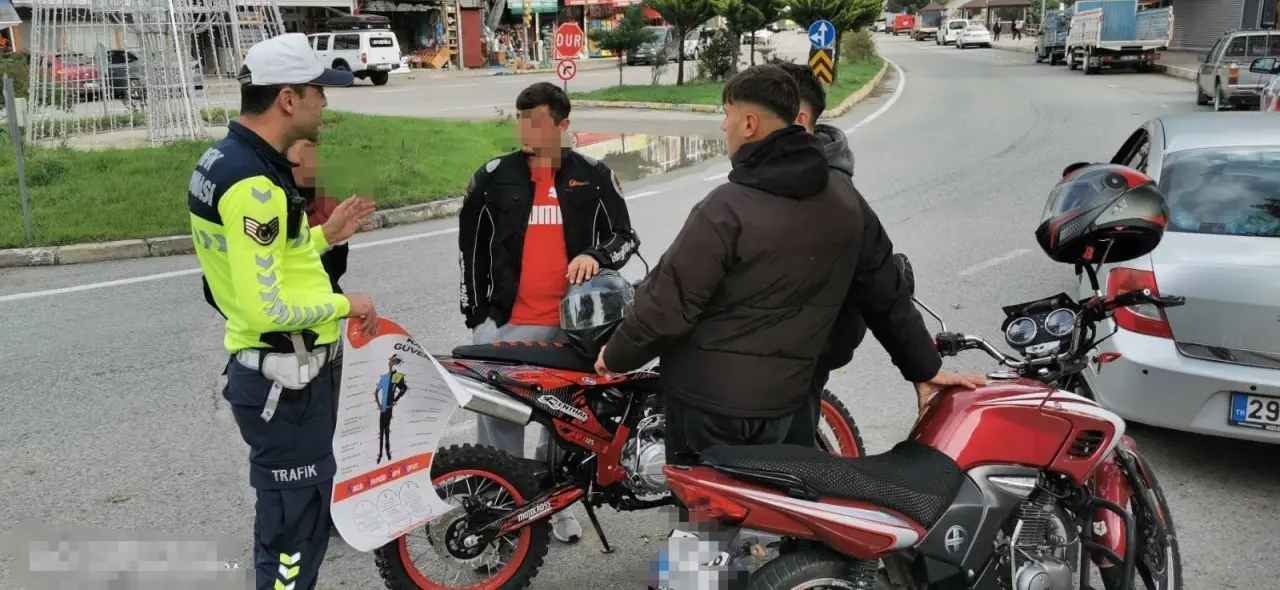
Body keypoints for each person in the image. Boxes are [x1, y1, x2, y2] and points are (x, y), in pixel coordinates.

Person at [593, 63, 982, 463]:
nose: (723, 127)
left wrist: (616, 356)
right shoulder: (846, 199)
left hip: (709, 408)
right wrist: (923, 368)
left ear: (749, 124)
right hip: (791, 404)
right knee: (780, 497)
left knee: (710, 503)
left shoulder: (725, 209)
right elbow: (886, 294)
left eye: (726, 116)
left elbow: (667, 305)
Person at [189, 32, 379, 590]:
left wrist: (323, 236)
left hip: (277, 378)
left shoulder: (226, 159)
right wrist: (346, 303)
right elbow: (266, 305)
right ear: (289, 99)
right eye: (319, 91)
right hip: (284, 387)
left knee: (291, 520)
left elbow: (265, 259)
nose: (325, 103)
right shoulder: (256, 186)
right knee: (293, 535)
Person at [457, 81, 638, 544]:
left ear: (562, 125)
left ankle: (554, 508)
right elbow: (470, 250)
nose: (526, 130)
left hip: (573, 331)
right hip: (507, 327)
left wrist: (596, 255)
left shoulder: (594, 175)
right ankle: (495, 514)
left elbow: (625, 237)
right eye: (521, 119)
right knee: (499, 425)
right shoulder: (492, 177)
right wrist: (477, 316)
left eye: (537, 121)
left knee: (566, 427)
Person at [776, 62, 865, 448]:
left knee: (784, 459)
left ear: (798, 119)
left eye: (753, 113)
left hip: (799, 347)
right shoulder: (781, 172)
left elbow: (878, 274)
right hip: (780, 341)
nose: (732, 125)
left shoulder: (822, 186)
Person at [373, 355, 410, 464]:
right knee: (381, 431)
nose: (391, 363)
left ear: (398, 363)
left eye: (394, 361)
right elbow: (376, 392)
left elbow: (404, 388)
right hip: (383, 409)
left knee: (387, 430)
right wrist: (379, 405)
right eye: (391, 360)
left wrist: (395, 400)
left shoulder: (398, 376)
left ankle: (388, 452)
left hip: (389, 408)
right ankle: (380, 454)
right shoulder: (384, 377)